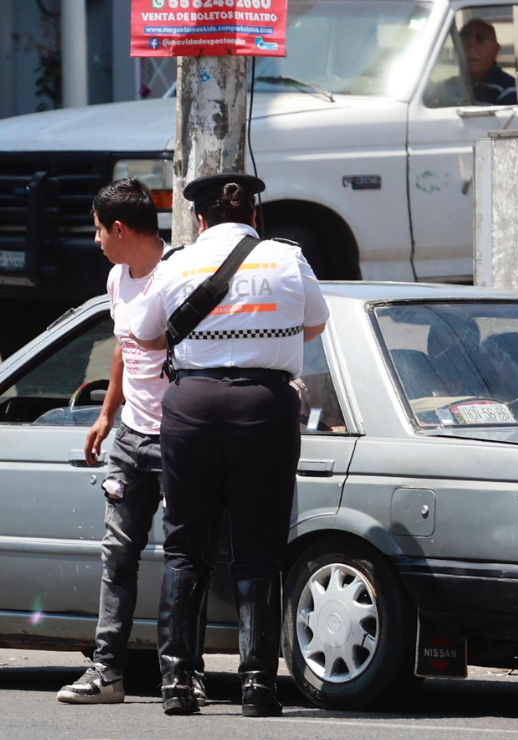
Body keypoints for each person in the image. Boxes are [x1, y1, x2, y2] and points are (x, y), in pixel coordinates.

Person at [129, 173, 329, 718]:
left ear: (199, 219)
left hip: (191, 406)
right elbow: (315, 323)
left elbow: (145, 335)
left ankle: (175, 683)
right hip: (264, 407)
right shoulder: (287, 258)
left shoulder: (176, 265)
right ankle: (259, 685)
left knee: (185, 546)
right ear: (254, 217)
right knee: (259, 548)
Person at [56, 178, 209, 705]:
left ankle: (186, 672)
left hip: (180, 441)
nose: (96, 239)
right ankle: (107, 673)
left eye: (99, 230)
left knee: (184, 561)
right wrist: (106, 414)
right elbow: (122, 347)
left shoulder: (179, 277)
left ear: (120, 229)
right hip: (130, 439)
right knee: (117, 557)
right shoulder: (117, 279)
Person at [460, 19, 517, 106]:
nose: (471, 46)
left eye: (481, 38)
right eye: (465, 37)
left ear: (495, 49)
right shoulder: (449, 86)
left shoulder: (508, 91)